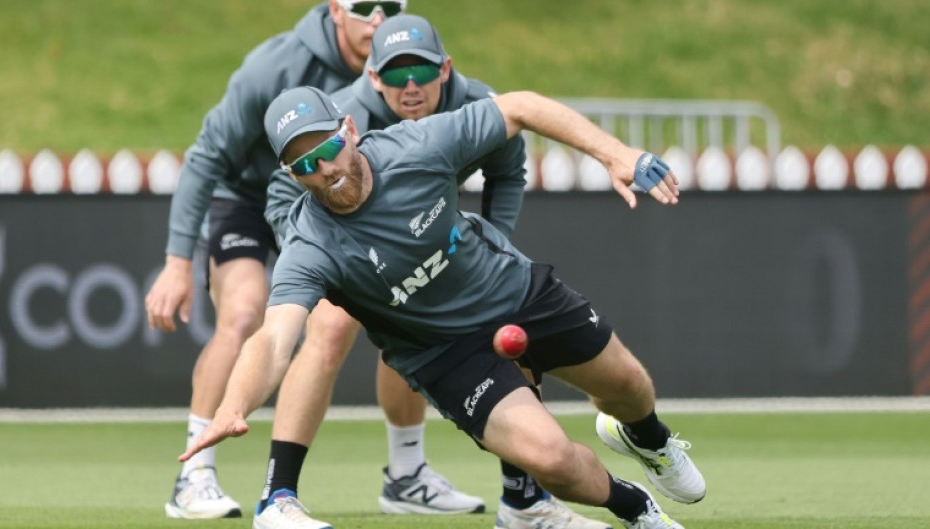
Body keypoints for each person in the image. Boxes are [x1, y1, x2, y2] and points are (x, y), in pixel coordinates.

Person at [179, 85, 706, 529]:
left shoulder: (418, 146)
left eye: (330, 146)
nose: (326, 168)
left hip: (517, 294)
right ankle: (637, 508)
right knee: (553, 460)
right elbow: (274, 338)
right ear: (293, 175)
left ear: (350, 130)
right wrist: (235, 405)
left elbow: (520, 106)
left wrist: (614, 154)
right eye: (307, 163)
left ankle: (647, 438)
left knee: (628, 386)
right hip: (446, 355)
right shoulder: (310, 244)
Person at [258, 14, 611, 529]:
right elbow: (284, 194)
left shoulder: (471, 103)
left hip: (426, 235)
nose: (409, 85)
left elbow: (507, 171)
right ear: (372, 77)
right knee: (330, 329)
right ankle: (283, 493)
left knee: (475, 309)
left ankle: (498, 494)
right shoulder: (346, 117)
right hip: (324, 226)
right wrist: (325, 258)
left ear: (443, 70)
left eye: (419, 72)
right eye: (394, 75)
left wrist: (493, 243)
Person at [144, 0, 479, 520]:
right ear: (334, 10)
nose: (378, 18)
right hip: (252, 202)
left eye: (390, 7)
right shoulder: (273, 66)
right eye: (364, 7)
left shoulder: (399, 74)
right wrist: (175, 260)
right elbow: (207, 154)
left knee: (405, 303)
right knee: (244, 312)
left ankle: (407, 476)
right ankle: (194, 476)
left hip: (337, 203)